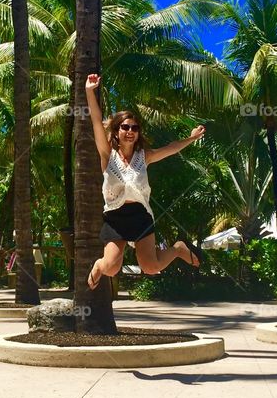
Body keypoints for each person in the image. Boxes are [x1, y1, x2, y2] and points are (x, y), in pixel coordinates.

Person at [85, 73, 205, 289]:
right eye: (125, 127)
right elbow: (95, 121)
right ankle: (100, 264)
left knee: (151, 267)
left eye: (135, 128)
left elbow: (171, 149)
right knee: (111, 268)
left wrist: (192, 138)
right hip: (115, 216)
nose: (130, 131)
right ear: (116, 130)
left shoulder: (144, 157)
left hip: (140, 215)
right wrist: (89, 92)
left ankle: (177, 249)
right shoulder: (107, 154)